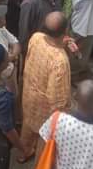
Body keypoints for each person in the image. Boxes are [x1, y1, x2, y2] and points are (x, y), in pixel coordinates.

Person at [20, 11, 72, 160]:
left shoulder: (36, 37)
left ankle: (23, 153)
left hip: (28, 95)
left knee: (27, 125)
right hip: (44, 108)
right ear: (65, 31)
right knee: (44, 139)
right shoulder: (59, 61)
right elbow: (58, 99)